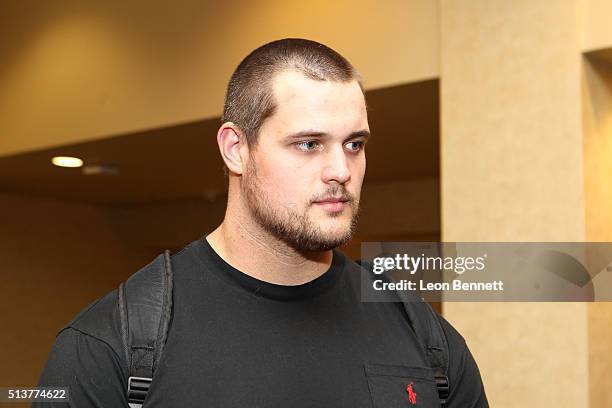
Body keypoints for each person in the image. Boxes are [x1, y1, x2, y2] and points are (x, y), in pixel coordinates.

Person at [36, 38, 488, 407]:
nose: (342, 171)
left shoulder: (423, 335)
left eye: (354, 144)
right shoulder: (110, 346)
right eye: (309, 144)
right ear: (236, 148)